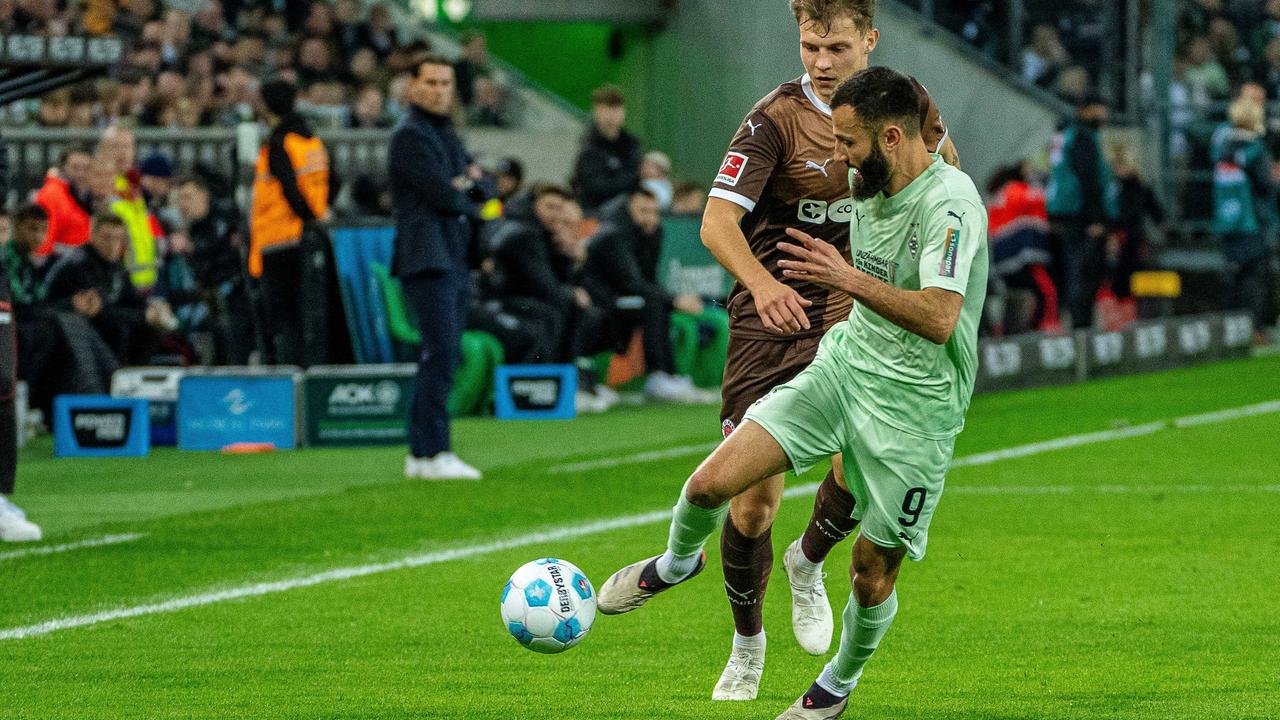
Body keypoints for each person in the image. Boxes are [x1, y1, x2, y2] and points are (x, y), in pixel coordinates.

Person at [597, 66, 989, 720]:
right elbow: (929, 128)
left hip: (916, 412)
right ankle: (675, 562)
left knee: (871, 571)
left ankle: (836, 683)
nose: (839, 160)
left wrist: (846, 278)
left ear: (891, 138)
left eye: (848, 145)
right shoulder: (876, 167)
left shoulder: (951, 206)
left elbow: (941, 316)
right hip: (844, 368)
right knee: (708, 487)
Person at [692, 0, 958, 701]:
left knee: (858, 461)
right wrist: (761, 284)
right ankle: (748, 644)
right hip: (771, 316)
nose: (820, 61)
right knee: (752, 505)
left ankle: (807, 561)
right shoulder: (772, 120)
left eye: (836, 47)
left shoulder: (905, 106)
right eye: (811, 46)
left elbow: (943, 178)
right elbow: (717, 223)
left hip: (855, 306)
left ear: (869, 39)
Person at [389, 55, 490, 481]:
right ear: (411, 86)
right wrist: (466, 187)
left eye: (445, 83)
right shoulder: (410, 135)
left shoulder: (443, 133)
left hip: (449, 252)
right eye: (429, 81)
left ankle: (424, 453)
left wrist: (467, 186)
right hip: (426, 255)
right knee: (440, 352)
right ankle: (433, 451)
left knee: (441, 353)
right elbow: (444, 195)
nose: (438, 90)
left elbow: (482, 186)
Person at [484, 184, 614, 412]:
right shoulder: (521, 233)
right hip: (497, 303)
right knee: (554, 312)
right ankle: (548, 386)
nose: (555, 214)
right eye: (549, 207)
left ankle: (569, 381)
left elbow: (555, 282)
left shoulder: (540, 232)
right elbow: (544, 285)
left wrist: (571, 258)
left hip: (525, 300)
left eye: (559, 208)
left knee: (584, 310)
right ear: (534, 205)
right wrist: (571, 292)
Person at [582, 188, 714, 403]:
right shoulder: (613, 234)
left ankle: (668, 376)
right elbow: (630, 282)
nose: (650, 217)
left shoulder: (652, 232)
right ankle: (659, 376)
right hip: (603, 299)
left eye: (654, 211)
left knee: (657, 302)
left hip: (627, 298)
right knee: (654, 303)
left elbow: (649, 278)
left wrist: (672, 299)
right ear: (629, 208)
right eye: (643, 210)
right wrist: (675, 300)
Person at [248, 78, 332, 366]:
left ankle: (288, 377)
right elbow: (332, 179)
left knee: (283, 320)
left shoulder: (279, 143)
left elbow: (290, 189)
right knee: (307, 315)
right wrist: (318, 217)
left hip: (278, 239)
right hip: (307, 238)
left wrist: (306, 217)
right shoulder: (311, 140)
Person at [44, 213, 176, 366]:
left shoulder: (116, 266)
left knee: (152, 328)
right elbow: (99, 311)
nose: (113, 245)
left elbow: (130, 300)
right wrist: (143, 315)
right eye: (106, 238)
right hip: (68, 329)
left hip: (99, 325)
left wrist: (154, 310)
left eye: (119, 239)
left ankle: (133, 378)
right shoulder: (79, 264)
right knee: (118, 328)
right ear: (92, 236)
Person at [1046, 93, 1119, 328]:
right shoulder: (1082, 137)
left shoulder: (1064, 135)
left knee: (1072, 273)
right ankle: (1081, 333)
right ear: (1085, 110)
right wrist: (1097, 219)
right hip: (1079, 216)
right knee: (1084, 275)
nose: (1104, 115)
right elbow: (1088, 178)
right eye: (1099, 108)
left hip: (1061, 215)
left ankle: (1076, 328)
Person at [173, 174, 255, 364]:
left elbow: (235, 251)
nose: (183, 204)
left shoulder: (227, 215)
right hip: (212, 301)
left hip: (238, 297)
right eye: (180, 199)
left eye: (188, 197)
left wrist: (198, 250)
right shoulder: (190, 229)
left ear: (204, 196)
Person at [1213, 97, 1275, 342]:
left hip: (1228, 223)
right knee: (1255, 277)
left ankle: (1232, 330)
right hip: (1253, 222)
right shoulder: (1255, 150)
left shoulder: (1223, 149)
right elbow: (1265, 186)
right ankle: (1254, 329)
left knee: (1234, 279)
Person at [570, 85, 642, 214]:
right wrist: (630, 179)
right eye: (608, 108)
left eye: (617, 108)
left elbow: (637, 181)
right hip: (594, 214)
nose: (613, 114)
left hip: (626, 215)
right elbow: (595, 187)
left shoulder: (631, 145)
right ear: (597, 110)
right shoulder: (588, 147)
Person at [33, 145, 94, 257]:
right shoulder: (52, 195)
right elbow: (43, 242)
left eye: (87, 168)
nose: (81, 174)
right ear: (63, 168)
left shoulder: (87, 195)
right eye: (75, 167)